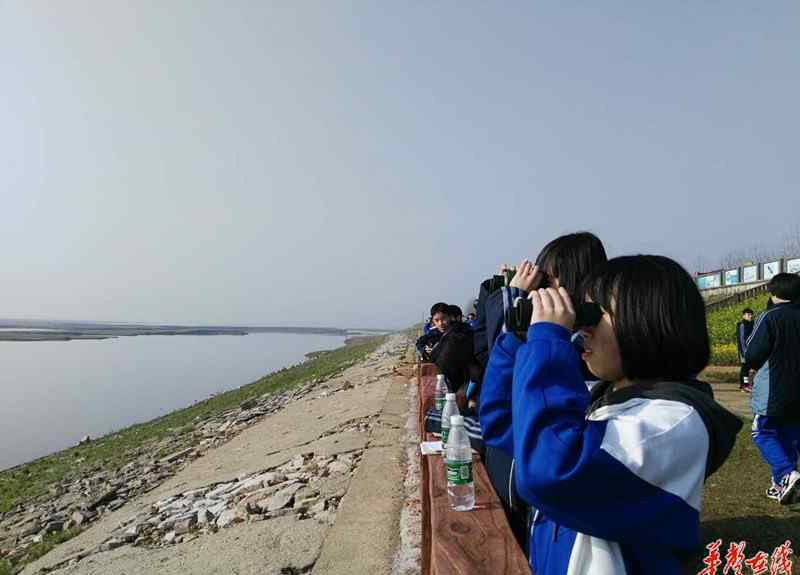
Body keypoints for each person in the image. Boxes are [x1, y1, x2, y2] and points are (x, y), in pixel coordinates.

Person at [485, 255, 741, 574]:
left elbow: (551, 473)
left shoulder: (673, 423)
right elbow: (501, 424)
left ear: (649, 321)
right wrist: (516, 340)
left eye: (595, 314)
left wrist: (549, 341)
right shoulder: (607, 400)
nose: (583, 329)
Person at [479, 232, 608, 555]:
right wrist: (514, 326)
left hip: (562, 523)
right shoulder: (550, 342)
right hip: (540, 523)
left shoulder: (588, 351)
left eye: (547, 279)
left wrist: (547, 336)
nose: (539, 289)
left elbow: (551, 463)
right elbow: (497, 423)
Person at [744, 272, 800, 504]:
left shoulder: (770, 317)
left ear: (774, 293)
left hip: (774, 389)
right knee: (789, 436)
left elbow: (752, 354)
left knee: (762, 432)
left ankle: (787, 474)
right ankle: (781, 485)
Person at [736, 308, 754, 392]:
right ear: (744, 315)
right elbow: (742, 340)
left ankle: (744, 385)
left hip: (748, 351)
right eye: (748, 314)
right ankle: (745, 385)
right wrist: (744, 352)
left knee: (746, 368)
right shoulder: (742, 325)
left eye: (751, 314)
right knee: (745, 369)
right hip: (744, 351)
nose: (750, 316)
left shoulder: (750, 324)